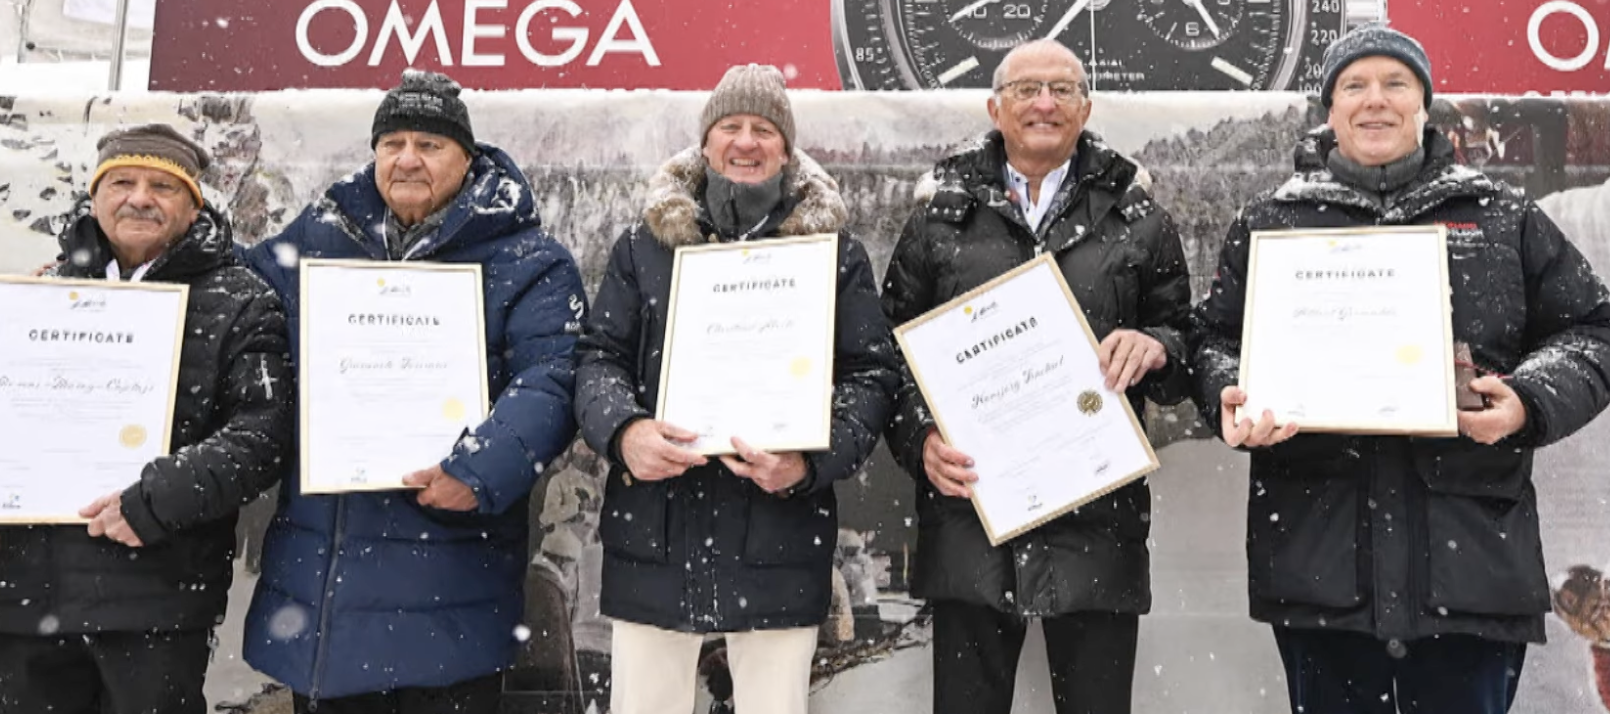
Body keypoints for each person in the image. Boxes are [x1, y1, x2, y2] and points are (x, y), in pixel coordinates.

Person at [1190, 24, 1610, 714]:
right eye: (1354, 85)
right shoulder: (1272, 223)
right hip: (1321, 567)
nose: (1374, 100)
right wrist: (1226, 393)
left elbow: (1593, 330)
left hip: (1470, 565)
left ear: (1424, 104)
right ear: (1330, 109)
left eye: (1396, 84)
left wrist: (1525, 402)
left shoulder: (1502, 217)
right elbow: (1211, 342)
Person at [239, 70, 587, 714]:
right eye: (392, 142)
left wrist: (478, 471)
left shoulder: (530, 261)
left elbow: (554, 379)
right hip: (323, 596)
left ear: (467, 158)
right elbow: (229, 303)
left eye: (429, 144)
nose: (407, 158)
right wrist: (95, 296)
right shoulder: (315, 239)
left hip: (450, 569)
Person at [573, 63, 897, 714]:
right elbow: (597, 357)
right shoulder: (645, 245)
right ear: (706, 142)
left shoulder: (833, 252)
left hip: (778, 534)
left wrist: (808, 461)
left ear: (787, 148)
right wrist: (626, 432)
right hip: (654, 535)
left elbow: (871, 374)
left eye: (763, 129)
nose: (746, 142)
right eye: (730, 127)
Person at [880, 39, 1192, 714]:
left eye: (1061, 89)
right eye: (1025, 90)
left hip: (1096, 524)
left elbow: (1186, 346)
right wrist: (919, 437)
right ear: (995, 107)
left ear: (1087, 107)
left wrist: (1158, 346)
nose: (1043, 103)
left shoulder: (1139, 219)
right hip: (971, 520)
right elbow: (889, 355)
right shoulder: (939, 217)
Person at [0, 123, 294, 713]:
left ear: (193, 206)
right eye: (123, 182)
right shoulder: (40, 292)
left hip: (156, 594)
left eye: (163, 185)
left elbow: (263, 431)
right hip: (28, 591)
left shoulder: (241, 298)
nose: (141, 197)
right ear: (95, 196)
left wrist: (157, 499)